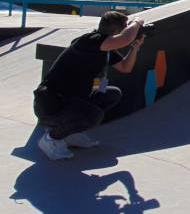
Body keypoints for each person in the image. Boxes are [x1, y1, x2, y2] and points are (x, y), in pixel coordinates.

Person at [33, 11, 146, 160]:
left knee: (112, 94)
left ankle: (70, 134)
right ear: (116, 31)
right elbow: (125, 39)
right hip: (50, 104)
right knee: (93, 115)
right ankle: (51, 139)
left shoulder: (105, 49)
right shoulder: (90, 41)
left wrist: (134, 47)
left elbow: (125, 67)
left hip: (69, 101)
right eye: (125, 27)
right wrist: (137, 22)